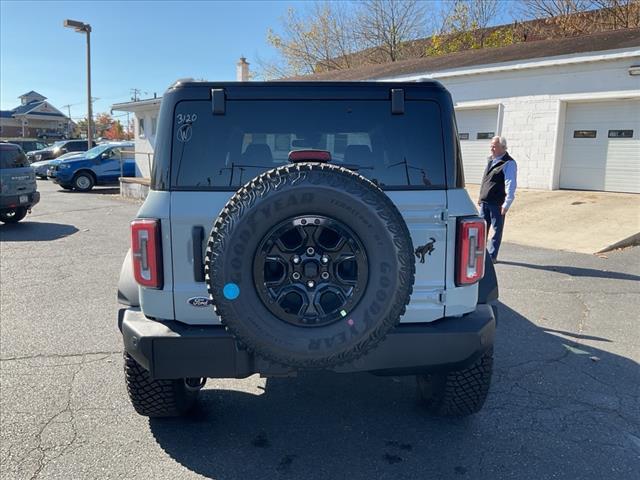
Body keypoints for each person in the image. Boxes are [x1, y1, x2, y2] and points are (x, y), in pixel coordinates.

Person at [477, 136, 517, 263]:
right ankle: (480, 254)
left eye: (494, 146)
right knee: (482, 229)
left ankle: (492, 256)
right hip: (485, 202)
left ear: (503, 147)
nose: (491, 148)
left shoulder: (508, 163)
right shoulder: (490, 160)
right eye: (491, 146)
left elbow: (510, 183)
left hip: (497, 204)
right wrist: (480, 197)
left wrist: (507, 203)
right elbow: (486, 181)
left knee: (496, 230)